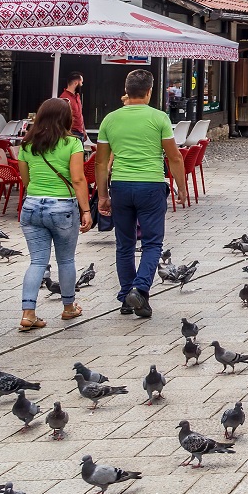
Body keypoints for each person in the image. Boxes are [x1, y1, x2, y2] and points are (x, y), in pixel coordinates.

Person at [95, 68, 187, 318]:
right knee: (152, 243)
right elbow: (174, 156)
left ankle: (127, 297)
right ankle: (140, 287)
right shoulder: (159, 118)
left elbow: (101, 163)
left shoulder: (109, 119)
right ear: (149, 92)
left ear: (126, 91)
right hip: (150, 185)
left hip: (121, 186)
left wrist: (103, 195)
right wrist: (181, 187)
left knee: (124, 244)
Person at [14, 97, 90, 331]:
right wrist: (86, 210)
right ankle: (68, 308)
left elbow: (25, 181)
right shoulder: (72, 143)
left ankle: (28, 313)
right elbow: (77, 179)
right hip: (62, 207)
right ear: (66, 118)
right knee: (66, 259)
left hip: (32, 206)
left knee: (37, 261)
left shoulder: (27, 144)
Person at [59, 71, 87, 139]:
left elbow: (79, 114)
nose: (82, 85)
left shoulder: (77, 96)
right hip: (71, 132)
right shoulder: (64, 98)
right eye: (81, 82)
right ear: (76, 83)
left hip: (80, 131)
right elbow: (62, 118)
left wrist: (84, 130)